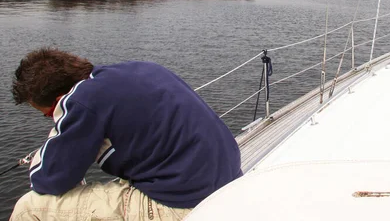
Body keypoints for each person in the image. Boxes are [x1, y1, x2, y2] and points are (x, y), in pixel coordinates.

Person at [10, 48, 242, 220]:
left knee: (28, 208)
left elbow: (50, 180)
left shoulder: (82, 101)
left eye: (49, 113)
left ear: (61, 100)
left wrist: (42, 157)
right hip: (227, 185)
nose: (53, 118)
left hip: (182, 205)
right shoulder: (143, 68)